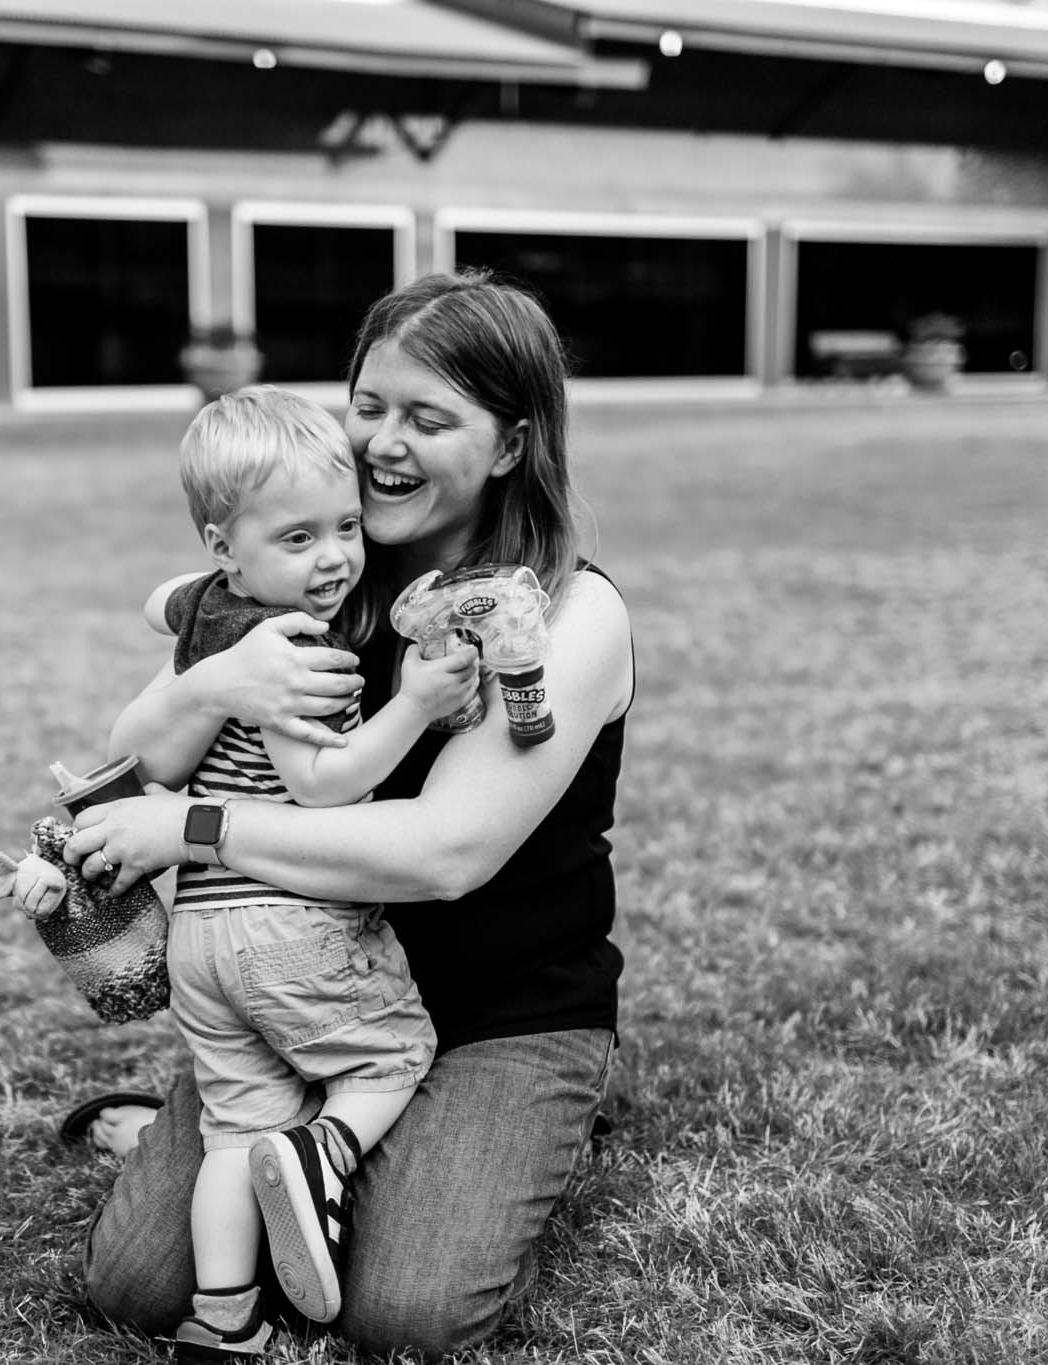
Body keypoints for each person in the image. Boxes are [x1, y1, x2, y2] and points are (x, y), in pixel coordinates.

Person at [59, 269, 636, 1359]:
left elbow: (442, 855)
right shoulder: (318, 569)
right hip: (304, 983)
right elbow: (132, 760)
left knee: (401, 1312)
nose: (381, 443)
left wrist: (193, 831)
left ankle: (522, 1123)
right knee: (134, 1286)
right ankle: (329, 1147)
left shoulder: (566, 611)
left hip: (497, 1012)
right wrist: (202, 689)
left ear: (511, 444)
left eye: (428, 418)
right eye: (367, 405)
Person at [11, 386, 481, 1361]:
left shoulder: (209, 607)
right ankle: (322, 1153)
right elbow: (321, 784)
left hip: (204, 943)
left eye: (345, 527)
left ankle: (223, 1317)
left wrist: (224, 570)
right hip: (294, 921)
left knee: (235, 1132)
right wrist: (416, 702)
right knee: (388, 1057)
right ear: (232, 545)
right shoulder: (300, 647)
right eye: (301, 539)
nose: (336, 558)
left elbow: (155, 602)